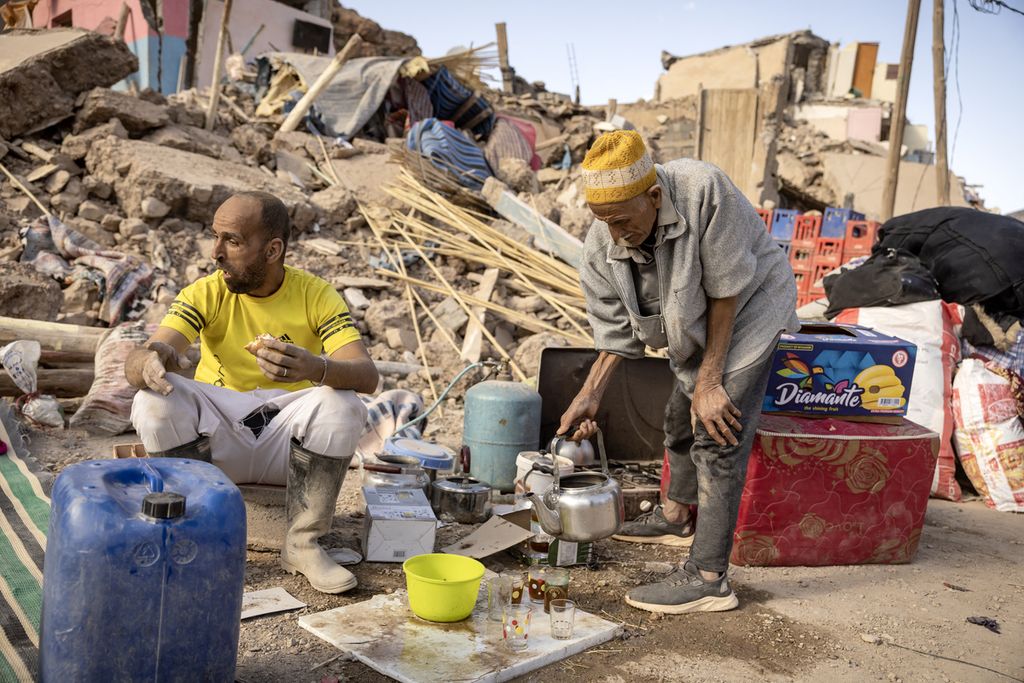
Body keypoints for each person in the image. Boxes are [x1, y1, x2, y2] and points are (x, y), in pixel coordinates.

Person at [557, 131, 798, 614]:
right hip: (691, 320)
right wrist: (589, 395)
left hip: (750, 309)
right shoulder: (601, 246)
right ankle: (674, 515)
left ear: (654, 196)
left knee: (715, 430)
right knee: (676, 416)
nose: (616, 236)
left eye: (624, 222)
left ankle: (710, 578)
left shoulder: (704, 190)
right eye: (605, 224)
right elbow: (616, 336)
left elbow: (726, 292)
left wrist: (709, 384)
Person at [125, 191, 379, 594]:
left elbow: (367, 375)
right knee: (152, 401)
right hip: (215, 445)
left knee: (344, 404)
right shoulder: (205, 293)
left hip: (289, 447)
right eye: (215, 237)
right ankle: (196, 539)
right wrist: (148, 361)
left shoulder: (316, 295)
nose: (216, 253)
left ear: (273, 249)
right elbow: (150, 353)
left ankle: (302, 543)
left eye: (233, 241)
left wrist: (314, 367)